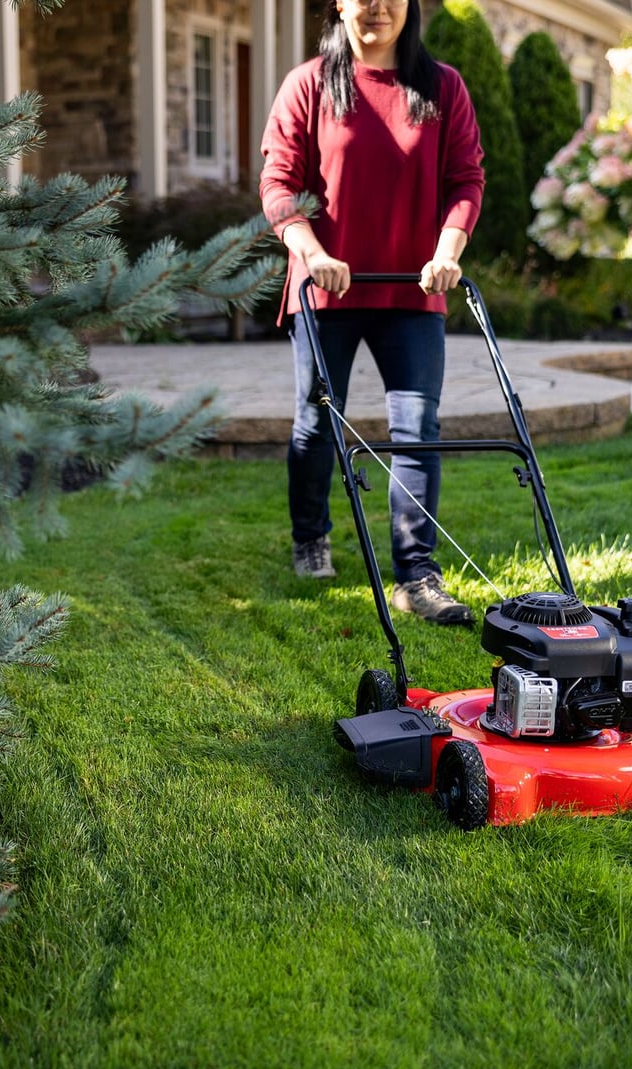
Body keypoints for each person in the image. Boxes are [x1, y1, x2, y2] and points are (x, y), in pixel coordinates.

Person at [259, 0, 484, 626]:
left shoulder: (442, 87)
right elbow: (278, 184)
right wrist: (311, 251)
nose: (378, 6)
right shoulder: (308, 85)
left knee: (417, 429)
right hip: (326, 289)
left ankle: (416, 576)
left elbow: (466, 180)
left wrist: (447, 252)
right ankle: (311, 536)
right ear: (340, 2)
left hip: (413, 290)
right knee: (315, 422)